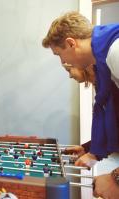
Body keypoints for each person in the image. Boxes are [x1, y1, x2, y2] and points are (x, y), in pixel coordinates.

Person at [42, 11, 119, 198]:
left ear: (71, 43)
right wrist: (92, 148)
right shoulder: (106, 58)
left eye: (59, 54)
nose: (63, 62)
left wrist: (116, 179)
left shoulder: (115, 51)